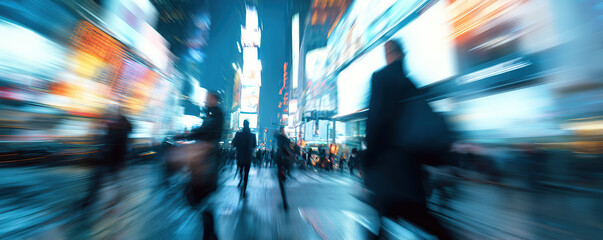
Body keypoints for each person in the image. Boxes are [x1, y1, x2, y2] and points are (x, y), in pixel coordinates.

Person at [363, 40, 452, 239]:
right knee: (420, 217)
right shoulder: (411, 84)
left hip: (387, 168)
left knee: (387, 216)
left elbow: (376, 121)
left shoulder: (381, 78)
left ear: (389, 54)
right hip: (410, 169)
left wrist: (368, 158)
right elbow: (422, 126)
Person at [182, 91, 224, 240]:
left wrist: (189, 134)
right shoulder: (211, 113)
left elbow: (208, 130)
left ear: (214, 99)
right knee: (199, 194)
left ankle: (210, 234)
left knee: (199, 192)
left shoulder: (216, 114)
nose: (205, 100)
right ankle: (211, 233)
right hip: (204, 157)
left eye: (208, 98)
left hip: (208, 158)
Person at [82, 108, 132, 209]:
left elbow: (121, 148)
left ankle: (114, 201)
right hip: (105, 160)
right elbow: (105, 144)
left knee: (112, 182)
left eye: (107, 118)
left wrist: (120, 162)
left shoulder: (119, 131)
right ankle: (90, 200)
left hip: (112, 162)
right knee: (99, 181)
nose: (104, 120)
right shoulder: (111, 129)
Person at [232, 120, 256, 199]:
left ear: (243, 125)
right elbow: (254, 146)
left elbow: (233, 144)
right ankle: (244, 190)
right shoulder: (252, 135)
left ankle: (240, 179)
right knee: (246, 174)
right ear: (248, 125)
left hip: (240, 156)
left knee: (240, 170)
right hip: (248, 157)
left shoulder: (238, 134)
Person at [275, 127, 292, 210]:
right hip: (286, 163)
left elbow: (276, 135)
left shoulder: (280, 137)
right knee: (282, 182)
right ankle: (288, 173)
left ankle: (285, 203)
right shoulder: (287, 140)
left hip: (281, 162)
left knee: (281, 184)